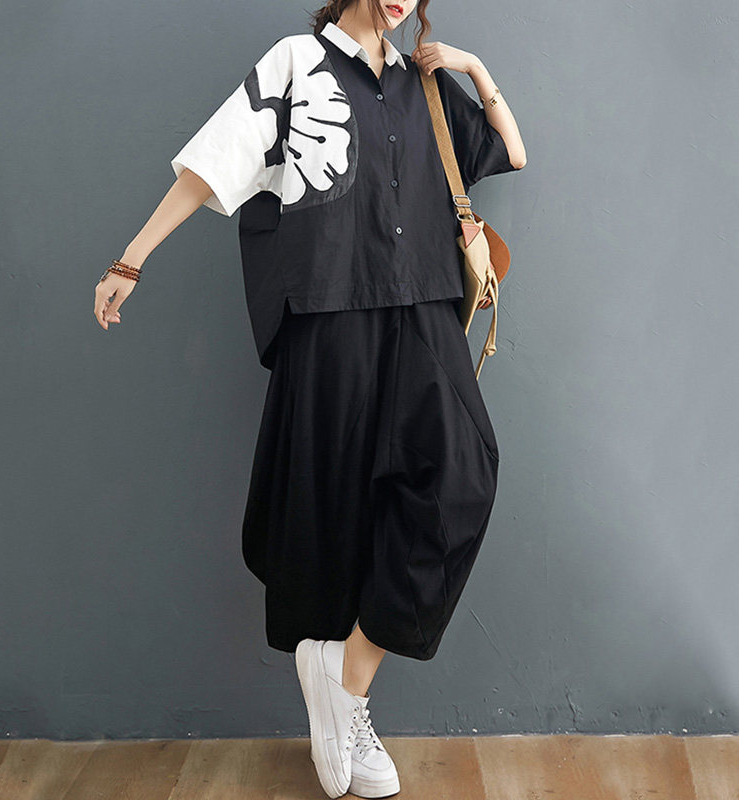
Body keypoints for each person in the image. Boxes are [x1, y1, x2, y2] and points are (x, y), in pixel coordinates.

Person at [93, 0, 526, 796]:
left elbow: (512, 153)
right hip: (331, 309)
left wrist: (472, 68)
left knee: (464, 477)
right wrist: (131, 259)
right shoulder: (297, 61)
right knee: (333, 515)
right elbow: (214, 163)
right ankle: (344, 710)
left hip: (425, 306)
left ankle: (346, 677)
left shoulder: (425, 84)